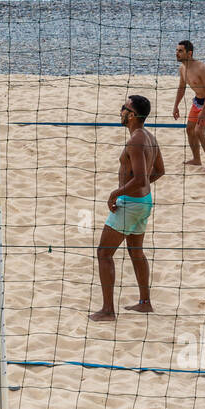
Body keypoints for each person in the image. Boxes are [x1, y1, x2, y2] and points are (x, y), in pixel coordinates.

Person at [90, 95, 165, 321]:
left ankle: (107, 311)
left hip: (131, 204)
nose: (121, 110)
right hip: (144, 203)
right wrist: (138, 192)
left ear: (132, 115)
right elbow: (159, 171)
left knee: (104, 253)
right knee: (136, 252)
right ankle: (145, 303)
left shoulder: (135, 141)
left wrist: (117, 192)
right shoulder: (149, 137)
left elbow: (141, 178)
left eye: (124, 107)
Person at [173, 40, 205, 174]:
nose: (177, 53)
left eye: (180, 51)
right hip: (198, 101)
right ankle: (196, 159)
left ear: (189, 53)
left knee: (199, 131)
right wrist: (176, 106)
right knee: (189, 129)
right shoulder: (182, 68)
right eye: (176, 50)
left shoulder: (200, 67)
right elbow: (181, 88)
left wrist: (204, 111)